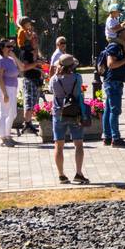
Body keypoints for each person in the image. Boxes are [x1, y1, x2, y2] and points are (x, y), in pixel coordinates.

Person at [48, 55, 90, 185]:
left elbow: (50, 91)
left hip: (59, 113)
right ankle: (78, 173)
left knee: (58, 146)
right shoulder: (77, 78)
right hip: (75, 113)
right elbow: (79, 93)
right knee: (78, 144)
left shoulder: (54, 79)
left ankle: (61, 175)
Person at [0, 40, 36, 147]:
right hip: (5, 88)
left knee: (13, 113)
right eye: (8, 46)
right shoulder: (0, 60)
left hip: (13, 88)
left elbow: (22, 68)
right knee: (4, 113)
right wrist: (4, 93)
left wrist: (14, 56)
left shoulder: (11, 59)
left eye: (11, 46)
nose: (11, 48)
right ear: (2, 48)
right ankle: (2, 138)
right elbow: (0, 78)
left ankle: (8, 136)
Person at [98, 27, 125, 148]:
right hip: (113, 82)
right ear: (120, 34)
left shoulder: (120, 46)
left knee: (108, 110)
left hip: (113, 82)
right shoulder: (114, 47)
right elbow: (111, 64)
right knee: (115, 110)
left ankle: (107, 137)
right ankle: (115, 138)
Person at [16, 17, 43, 119]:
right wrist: (36, 63)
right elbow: (23, 67)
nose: (35, 40)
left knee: (35, 103)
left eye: (36, 38)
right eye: (34, 38)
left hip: (36, 79)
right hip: (29, 79)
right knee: (28, 104)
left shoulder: (35, 51)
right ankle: (27, 123)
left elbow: (36, 64)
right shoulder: (26, 52)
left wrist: (40, 69)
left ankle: (30, 122)